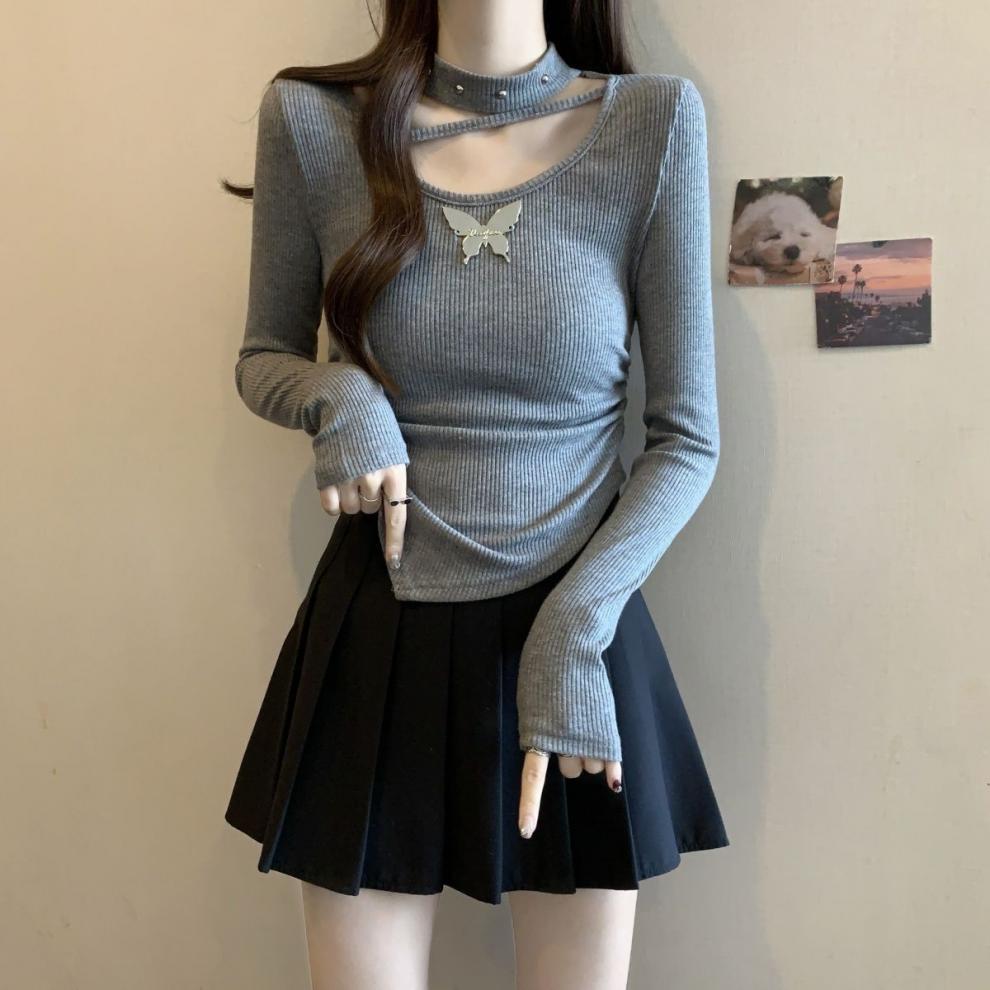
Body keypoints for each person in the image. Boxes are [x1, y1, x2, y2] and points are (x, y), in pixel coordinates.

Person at [222, 2, 729, 986]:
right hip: (378, 631)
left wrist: (575, 630)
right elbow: (262, 357)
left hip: (579, 630)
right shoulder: (312, 122)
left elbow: (687, 439)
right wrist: (339, 395)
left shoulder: (654, 123)